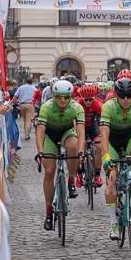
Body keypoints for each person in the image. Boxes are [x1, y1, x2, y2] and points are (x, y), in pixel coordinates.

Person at [100, 77, 131, 240]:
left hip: (130, 139)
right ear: (116, 95)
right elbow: (104, 136)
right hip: (112, 141)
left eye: (129, 96)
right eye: (122, 96)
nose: (126, 100)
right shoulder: (108, 106)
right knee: (112, 178)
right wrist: (106, 157)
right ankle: (113, 222)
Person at [35, 79, 86, 231]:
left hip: (66, 133)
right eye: (59, 97)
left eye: (66, 97)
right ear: (54, 95)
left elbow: (81, 131)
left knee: (74, 147)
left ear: (71, 96)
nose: (62, 100)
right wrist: (40, 151)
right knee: (50, 171)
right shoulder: (47, 107)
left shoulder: (77, 107)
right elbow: (40, 132)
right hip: (49, 136)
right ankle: (49, 212)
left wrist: (82, 151)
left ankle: (71, 180)